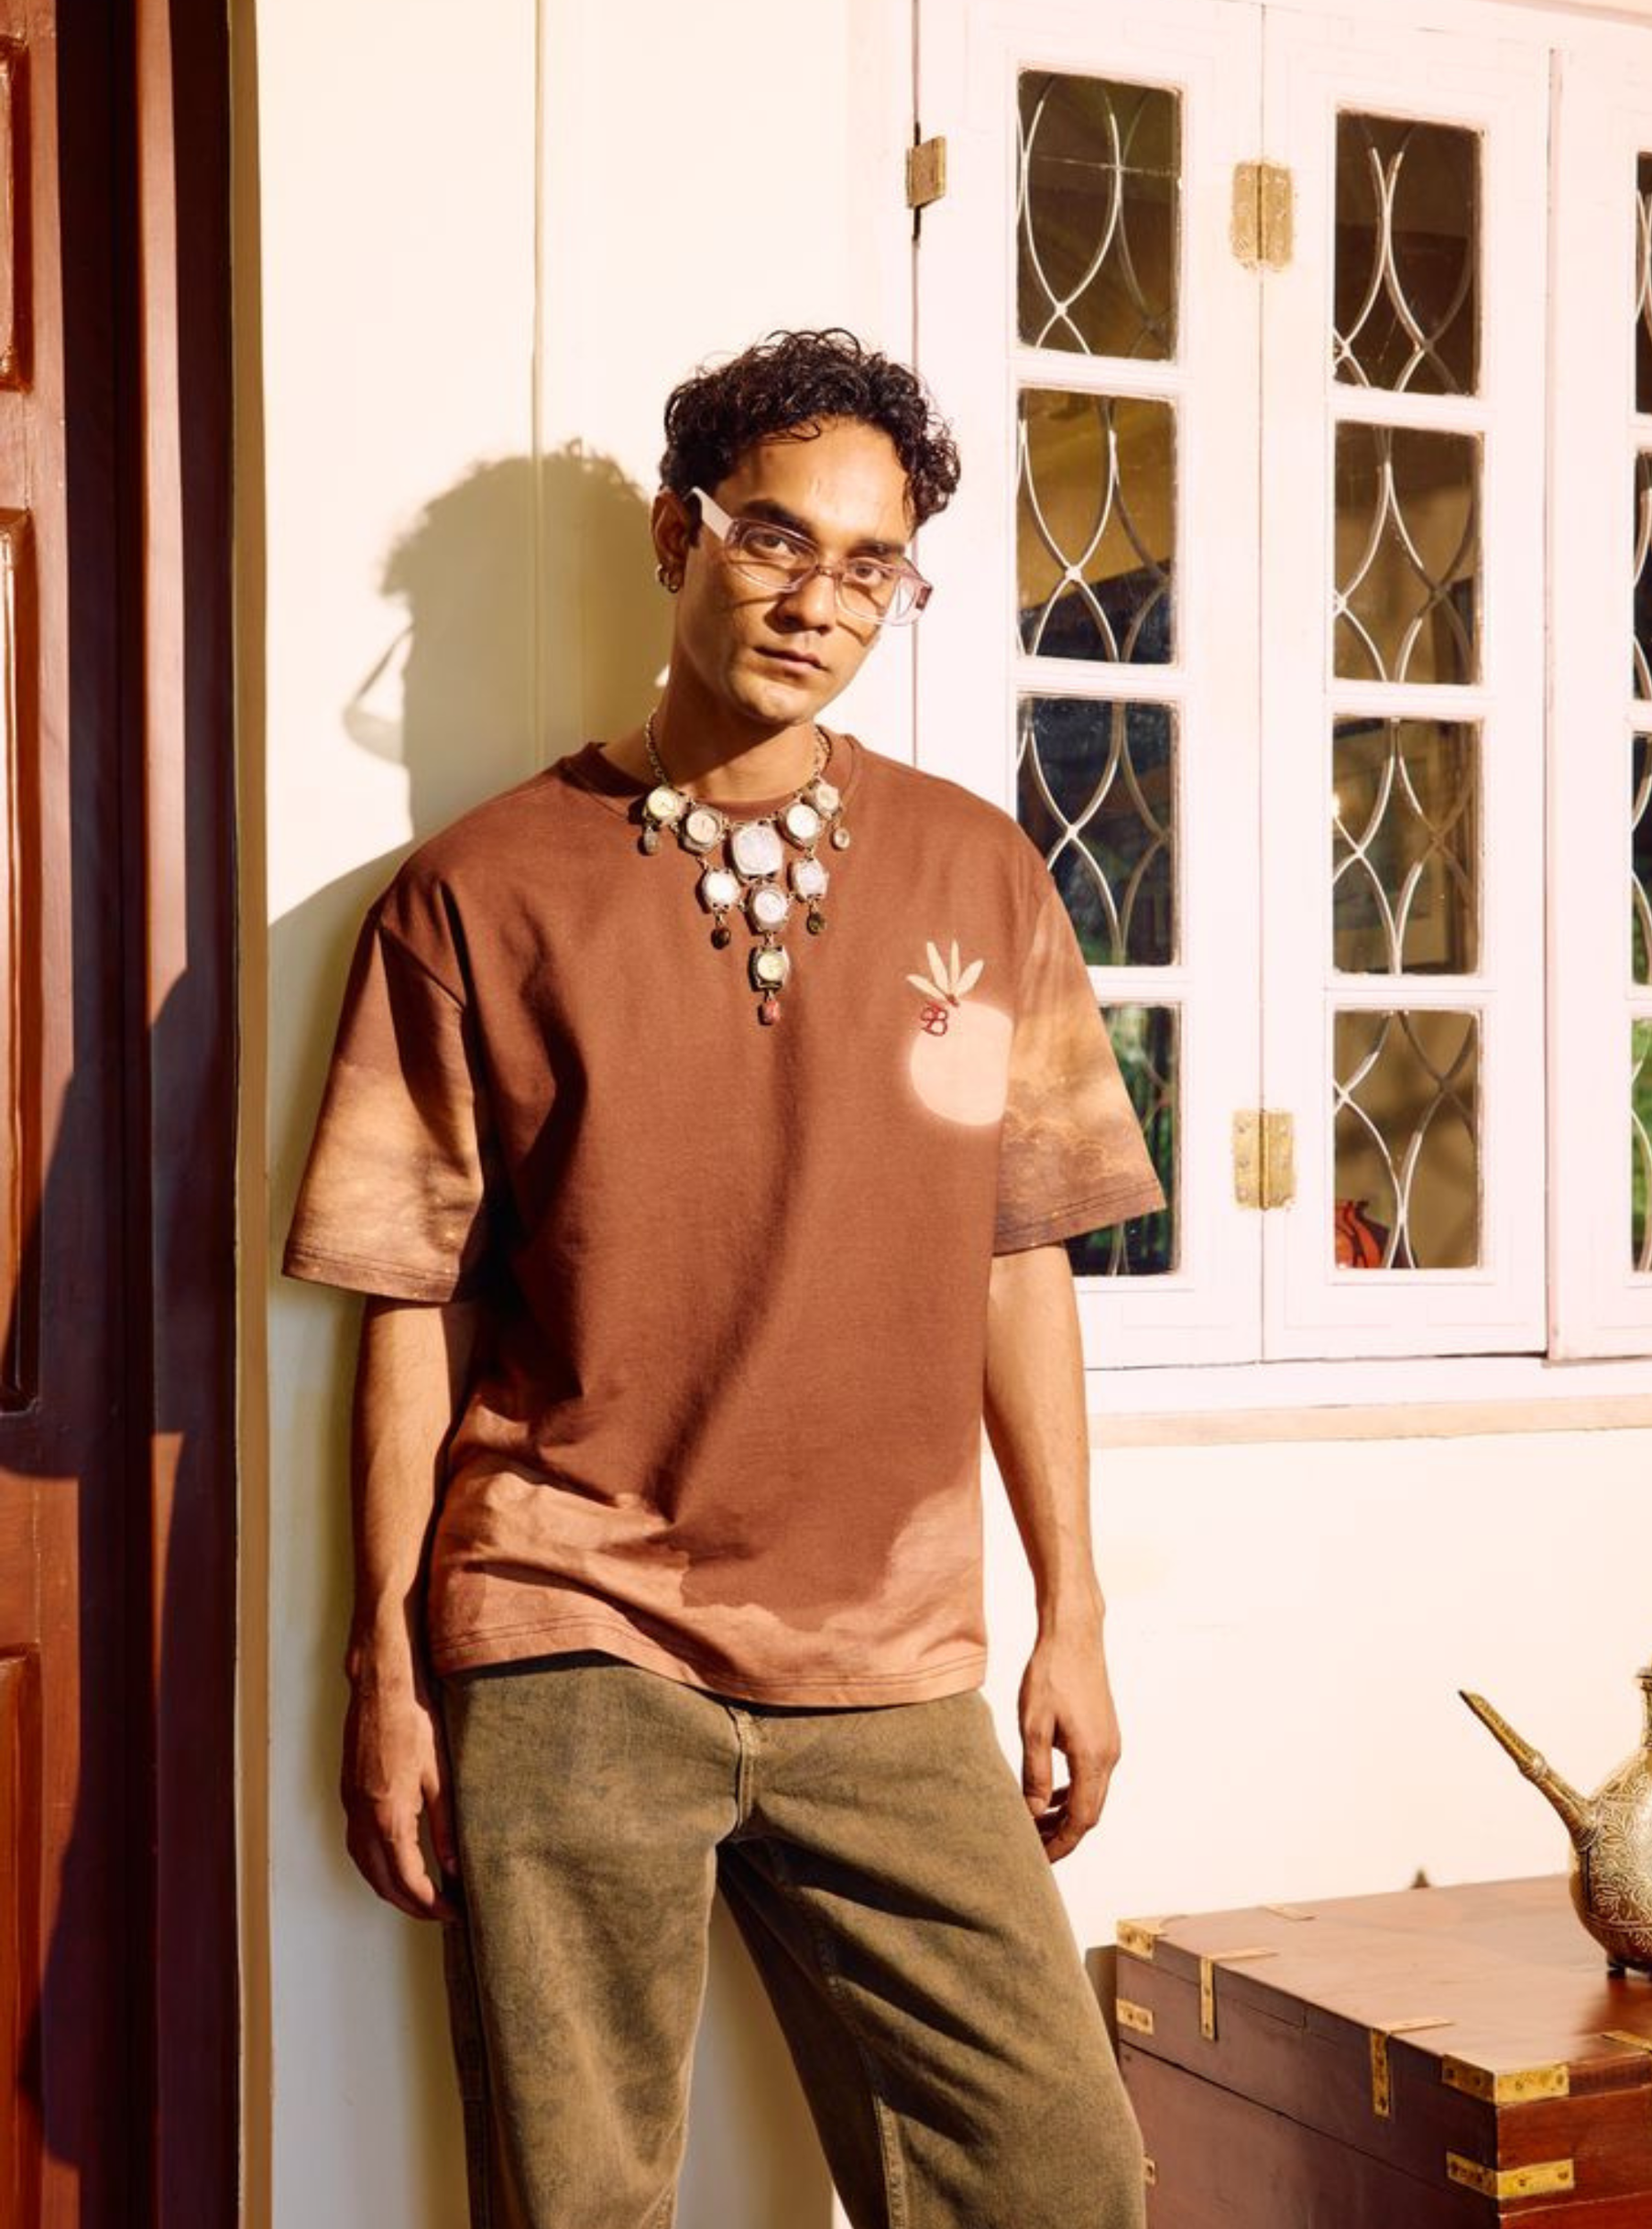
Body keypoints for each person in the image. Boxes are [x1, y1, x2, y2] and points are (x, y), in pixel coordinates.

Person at [285, 327, 1165, 2229]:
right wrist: (382, 1666)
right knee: (578, 2205)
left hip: (887, 1650)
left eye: (870, 564)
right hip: (571, 1633)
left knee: (1055, 2182)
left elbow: (1011, 1254)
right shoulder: (476, 894)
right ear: (678, 537)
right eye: (776, 538)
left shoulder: (969, 878)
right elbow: (409, 1301)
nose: (817, 599)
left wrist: (1073, 1613)